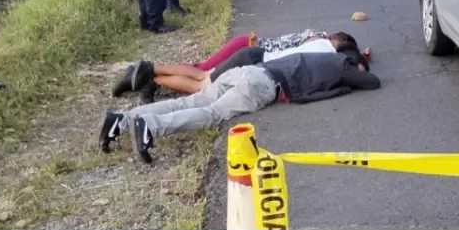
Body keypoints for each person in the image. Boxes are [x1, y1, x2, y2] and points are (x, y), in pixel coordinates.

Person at [99, 51, 381, 162]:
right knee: (212, 115)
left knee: (193, 101)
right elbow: (372, 82)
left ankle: (122, 120)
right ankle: (149, 127)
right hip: (261, 86)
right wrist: (355, 70)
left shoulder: (316, 56)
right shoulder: (342, 64)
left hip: (246, 71)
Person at [129, 32, 373, 100]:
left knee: (204, 73)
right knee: (202, 85)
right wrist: (360, 59)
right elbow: (355, 70)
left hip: (255, 54)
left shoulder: (317, 41)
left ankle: (153, 70)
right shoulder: (330, 53)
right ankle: (153, 76)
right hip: (255, 62)